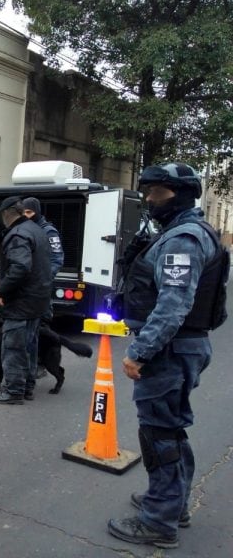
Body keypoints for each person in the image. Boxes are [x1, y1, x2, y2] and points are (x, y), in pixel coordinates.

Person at [108, 163, 229, 549]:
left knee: (159, 433)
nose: (148, 199)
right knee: (170, 429)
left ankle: (159, 520)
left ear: (179, 194)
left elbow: (173, 306)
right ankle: (172, 504)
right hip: (179, 349)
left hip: (168, 351)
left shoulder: (183, 239)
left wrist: (139, 353)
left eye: (156, 192)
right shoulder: (183, 233)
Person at [0, 196, 52, 404]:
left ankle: (14, 391)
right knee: (30, 344)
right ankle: (27, 386)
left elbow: (20, 267)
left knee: (14, 346)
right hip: (37, 300)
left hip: (21, 302)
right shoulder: (37, 230)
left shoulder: (18, 234)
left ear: (8, 213)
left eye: (3, 215)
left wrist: (2, 290)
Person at [22, 196, 64, 379]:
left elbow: (57, 259)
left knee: (42, 327)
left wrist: (43, 278)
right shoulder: (22, 229)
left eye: (29, 212)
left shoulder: (48, 232)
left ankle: (41, 363)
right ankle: (27, 364)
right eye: (23, 212)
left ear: (37, 212)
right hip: (26, 289)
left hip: (41, 289)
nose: (26, 216)